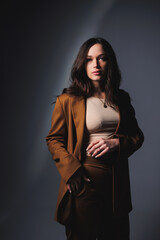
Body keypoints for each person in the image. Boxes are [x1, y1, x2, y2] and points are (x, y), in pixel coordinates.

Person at [46, 37, 144, 240]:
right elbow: (54, 140)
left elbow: (137, 136)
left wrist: (117, 143)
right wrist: (71, 172)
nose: (96, 65)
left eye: (102, 58)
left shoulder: (121, 99)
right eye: (90, 59)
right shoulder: (68, 100)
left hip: (117, 187)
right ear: (83, 64)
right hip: (85, 183)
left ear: (110, 62)